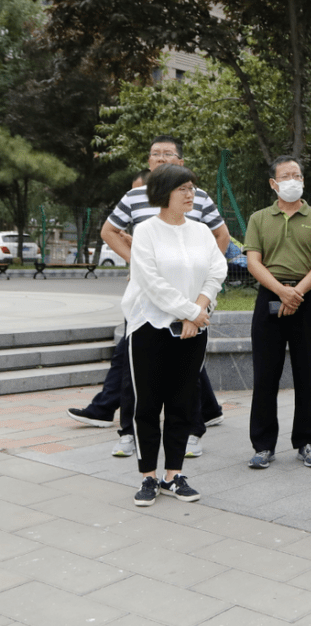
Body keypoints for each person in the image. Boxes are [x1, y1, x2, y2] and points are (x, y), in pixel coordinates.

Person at [66, 138, 228, 457]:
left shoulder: (199, 197)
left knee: (188, 367)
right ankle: (129, 431)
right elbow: (109, 232)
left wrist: (200, 289)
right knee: (134, 365)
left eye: (167, 154)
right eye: (155, 154)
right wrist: (137, 263)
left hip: (189, 299)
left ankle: (193, 429)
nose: (160, 159)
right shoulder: (134, 197)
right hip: (147, 298)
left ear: (180, 162)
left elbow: (220, 237)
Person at [123, 164, 226, 506]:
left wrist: (199, 309)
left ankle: (174, 475)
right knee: (148, 404)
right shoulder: (146, 231)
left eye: (192, 188)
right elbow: (151, 283)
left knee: (183, 402)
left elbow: (217, 269)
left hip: (192, 329)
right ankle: (148, 477)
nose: (190, 194)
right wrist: (190, 312)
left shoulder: (199, 231)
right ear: (163, 193)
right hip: (150, 327)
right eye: (182, 188)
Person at [245, 156, 311, 469]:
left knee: (308, 374)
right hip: (270, 296)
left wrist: (297, 293)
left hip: (307, 298)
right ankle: (263, 445)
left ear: (303, 181)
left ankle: (306, 442)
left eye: (297, 175)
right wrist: (282, 291)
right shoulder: (258, 218)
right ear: (273, 183)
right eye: (286, 175)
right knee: (265, 375)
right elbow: (253, 261)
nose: (292, 180)